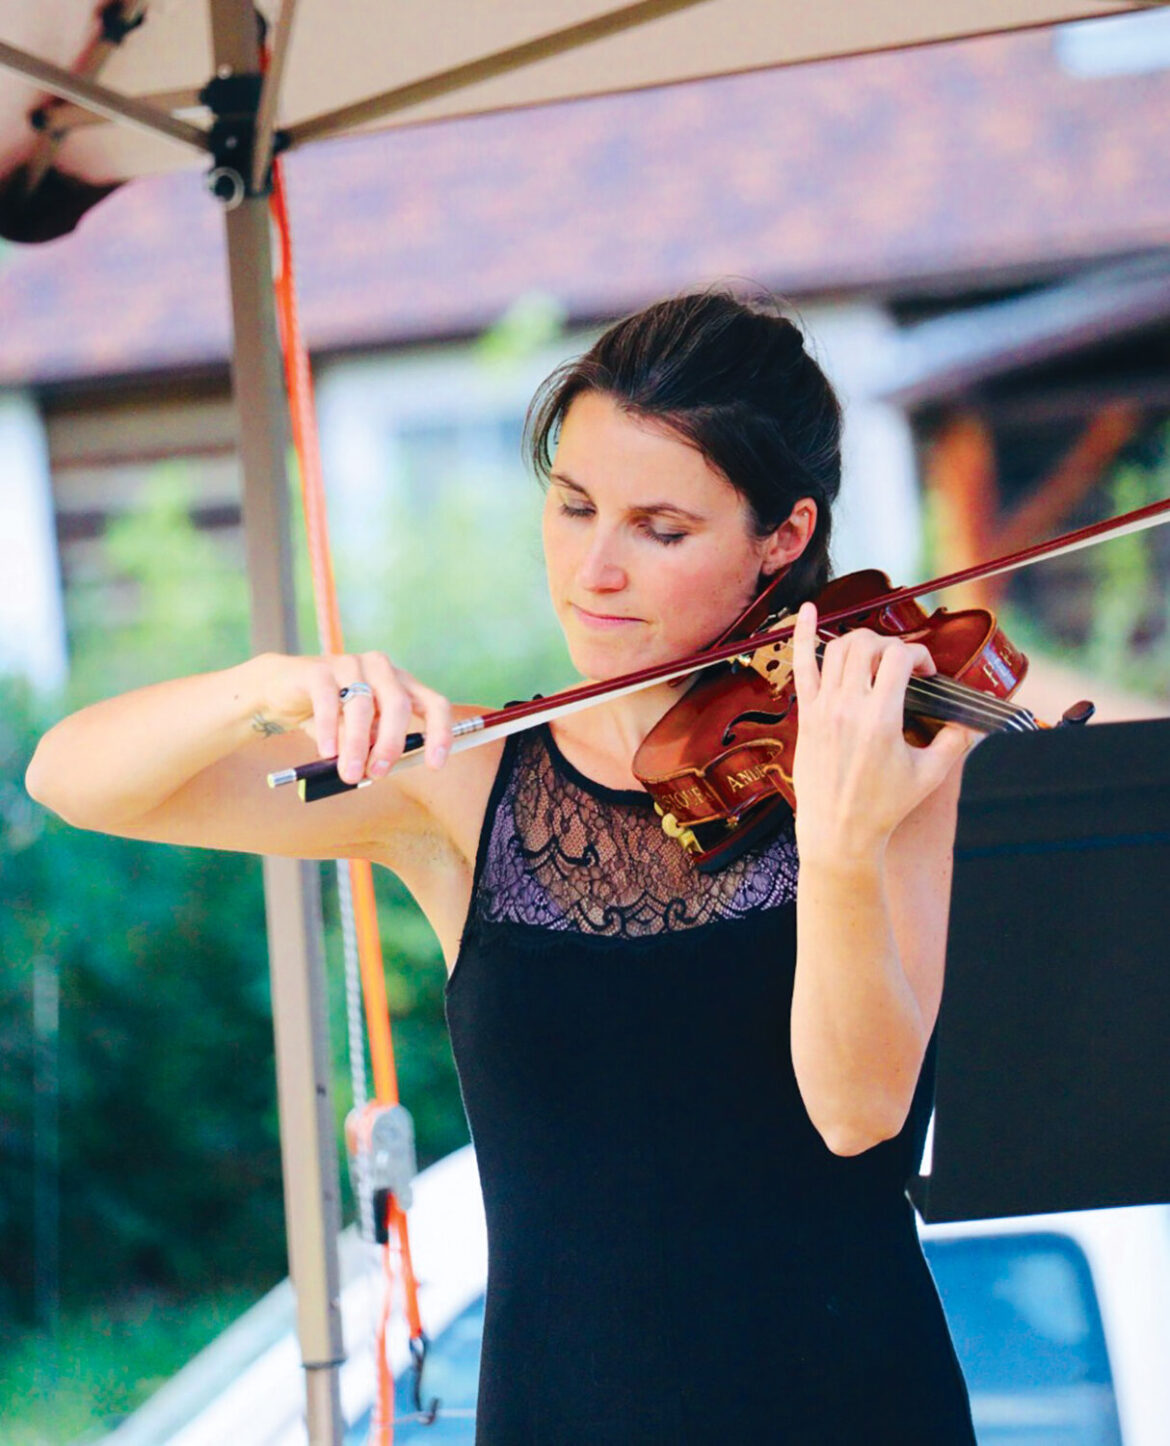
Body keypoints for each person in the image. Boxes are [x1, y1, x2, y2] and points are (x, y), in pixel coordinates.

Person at [27, 290, 977, 1443]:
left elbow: (857, 1113)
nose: (595, 569)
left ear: (781, 537)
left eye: (661, 530)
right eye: (573, 507)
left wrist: (833, 840)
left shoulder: (889, 753)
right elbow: (72, 780)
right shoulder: (465, 777)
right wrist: (263, 687)